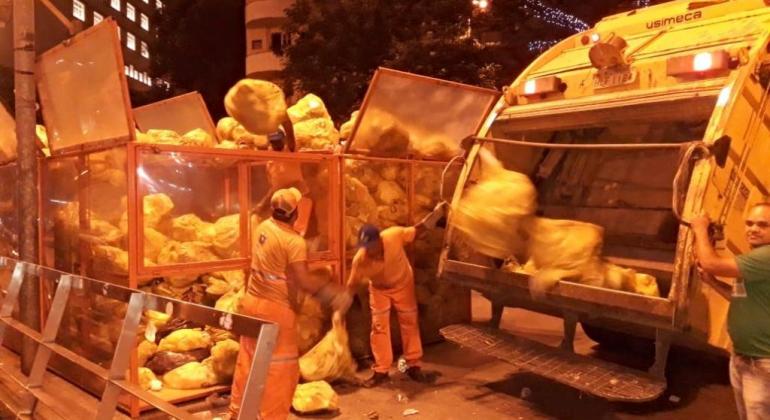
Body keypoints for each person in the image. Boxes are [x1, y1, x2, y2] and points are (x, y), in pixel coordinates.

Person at [229, 187, 353, 419]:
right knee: (280, 370)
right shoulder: (294, 242)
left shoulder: (262, 228)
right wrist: (333, 295)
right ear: (295, 213)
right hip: (276, 310)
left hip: (251, 303)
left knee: (248, 360)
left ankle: (238, 412)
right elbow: (303, 279)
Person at [346, 202, 448, 387]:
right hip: (379, 290)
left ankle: (413, 364)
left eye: (371, 246)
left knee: (409, 323)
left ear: (379, 240)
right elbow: (351, 285)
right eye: (365, 247)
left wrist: (435, 215)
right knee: (379, 328)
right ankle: (381, 370)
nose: (368, 251)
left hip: (403, 284)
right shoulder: (360, 260)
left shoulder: (392, 236)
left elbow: (417, 231)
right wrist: (340, 306)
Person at [692, 202, 770, 420]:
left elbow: (710, 263)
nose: (753, 229)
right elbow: (738, 297)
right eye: (749, 223)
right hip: (742, 357)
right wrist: (713, 283)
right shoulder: (752, 260)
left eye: (763, 225)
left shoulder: (766, 257)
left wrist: (700, 228)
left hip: (762, 362)